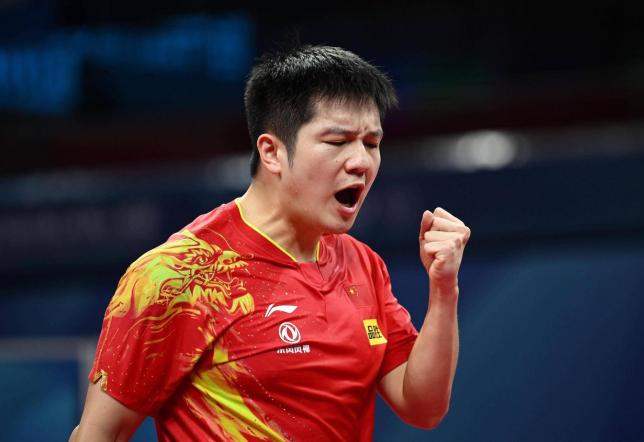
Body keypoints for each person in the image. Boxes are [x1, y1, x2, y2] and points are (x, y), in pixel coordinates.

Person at [70, 44, 470, 442]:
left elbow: (423, 406)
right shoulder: (178, 277)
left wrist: (443, 289)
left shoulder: (362, 265)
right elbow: (98, 434)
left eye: (371, 143)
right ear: (272, 152)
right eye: (337, 142)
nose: (361, 162)